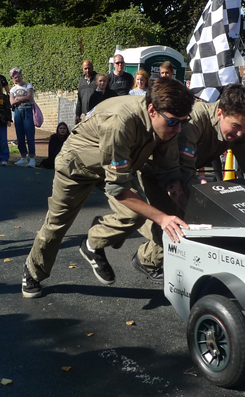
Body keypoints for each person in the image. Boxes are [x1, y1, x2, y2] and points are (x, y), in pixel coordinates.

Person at [21, 77, 195, 298]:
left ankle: (92, 243)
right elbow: (118, 189)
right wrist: (162, 218)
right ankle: (33, 271)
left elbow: (169, 172)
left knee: (134, 214)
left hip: (116, 167)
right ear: (152, 110)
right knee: (57, 224)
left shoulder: (167, 125)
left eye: (184, 121)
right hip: (77, 166)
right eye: (173, 122)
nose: (179, 129)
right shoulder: (120, 122)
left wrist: (190, 209)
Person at [114, 83, 245, 281]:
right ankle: (145, 250)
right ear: (220, 113)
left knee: (183, 221)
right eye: (236, 127)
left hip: (183, 172)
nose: (239, 134)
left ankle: (147, 259)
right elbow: (182, 173)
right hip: (159, 171)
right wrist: (203, 207)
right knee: (175, 221)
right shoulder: (194, 123)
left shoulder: (240, 130)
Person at [10, 68, 37, 167]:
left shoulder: (28, 85)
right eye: (15, 78)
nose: (17, 79)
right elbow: (11, 102)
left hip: (27, 111)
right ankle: (23, 157)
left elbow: (30, 97)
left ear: (22, 76)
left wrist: (17, 98)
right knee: (20, 136)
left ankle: (32, 158)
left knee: (30, 134)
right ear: (12, 79)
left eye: (18, 77)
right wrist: (21, 99)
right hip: (17, 112)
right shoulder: (13, 89)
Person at [75, 60, 96, 124]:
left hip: (96, 114)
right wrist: (78, 115)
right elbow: (79, 99)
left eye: (89, 68)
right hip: (86, 115)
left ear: (92, 67)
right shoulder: (81, 82)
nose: (87, 70)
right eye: (85, 68)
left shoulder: (98, 79)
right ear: (82, 69)